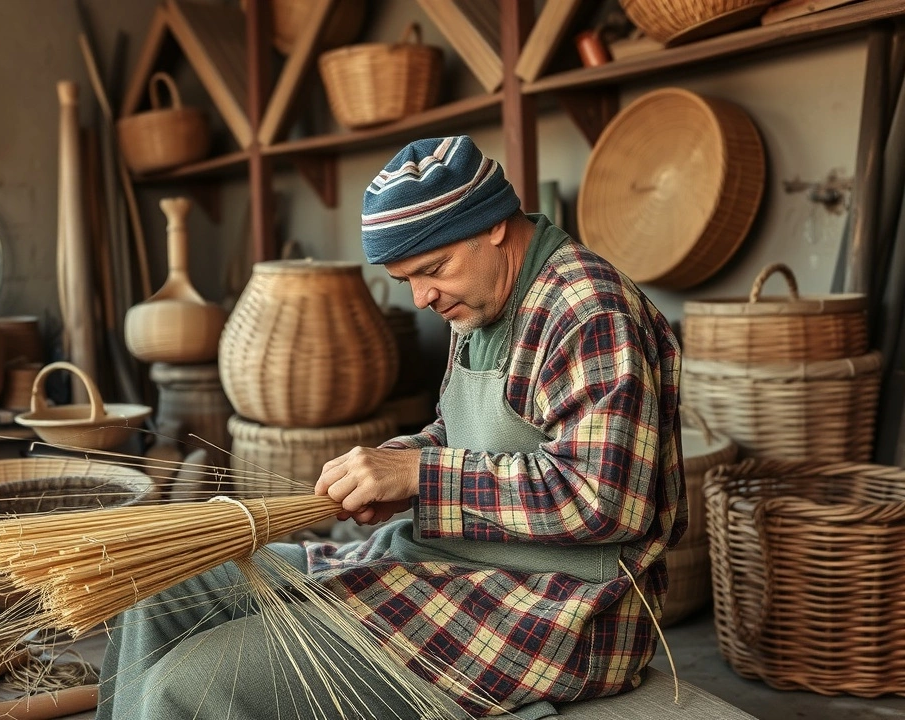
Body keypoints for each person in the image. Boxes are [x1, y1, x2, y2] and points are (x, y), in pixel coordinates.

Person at [97, 135, 685, 719]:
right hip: (453, 565)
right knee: (159, 595)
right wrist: (394, 462)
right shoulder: (482, 298)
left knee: (188, 685)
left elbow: (606, 499)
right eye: (407, 279)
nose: (423, 296)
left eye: (433, 269)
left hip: (557, 609)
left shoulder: (586, 310)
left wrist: (419, 476)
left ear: (496, 226)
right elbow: (463, 435)